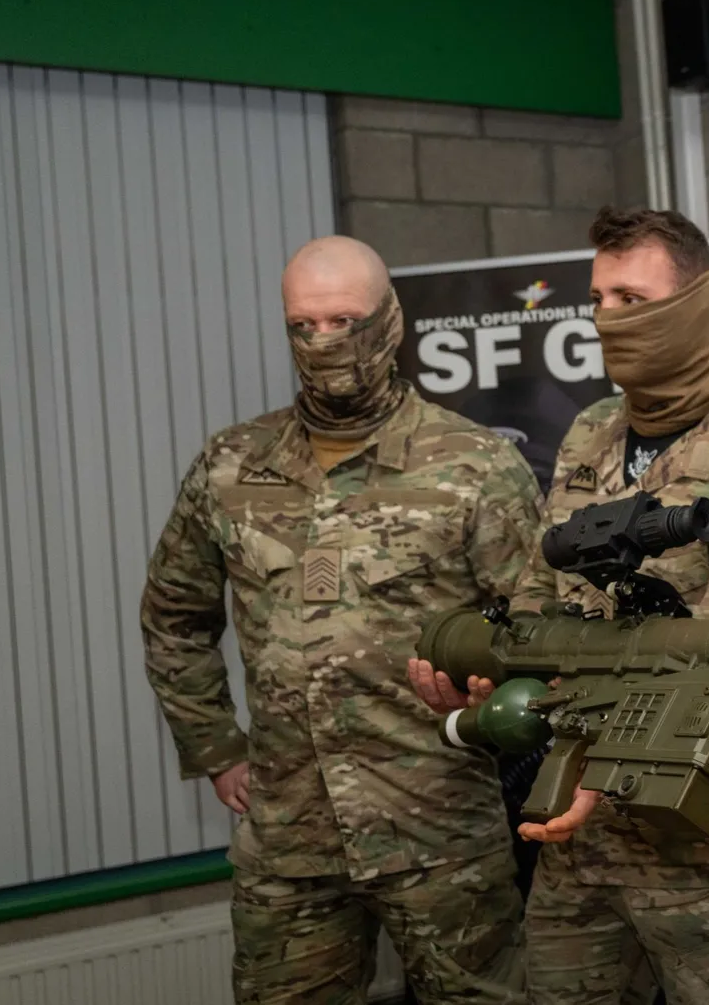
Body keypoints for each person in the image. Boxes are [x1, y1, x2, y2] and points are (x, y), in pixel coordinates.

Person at [408, 207, 709, 1005]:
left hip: (705, 849)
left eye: (632, 299)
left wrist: (594, 754)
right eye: (598, 299)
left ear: (692, 303)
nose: (608, 319)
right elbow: (536, 603)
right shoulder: (589, 433)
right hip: (574, 841)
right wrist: (490, 674)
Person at [140, 236, 541, 1004]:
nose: (323, 341)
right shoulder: (231, 466)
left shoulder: (474, 465)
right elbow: (173, 616)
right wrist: (216, 745)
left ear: (390, 319)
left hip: (439, 830)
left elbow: (537, 631)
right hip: (290, 840)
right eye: (304, 325)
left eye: (344, 321)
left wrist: (491, 702)